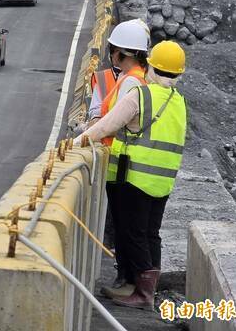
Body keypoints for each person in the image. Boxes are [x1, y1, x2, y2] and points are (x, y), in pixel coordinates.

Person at [76, 41, 187, 311]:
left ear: (150, 66)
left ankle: (143, 294)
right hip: (163, 181)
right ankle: (141, 288)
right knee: (151, 234)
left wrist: (77, 141)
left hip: (134, 178)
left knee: (132, 233)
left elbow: (105, 126)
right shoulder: (180, 103)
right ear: (178, 74)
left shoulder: (141, 95)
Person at [82, 19, 150, 297]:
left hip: (123, 166)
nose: (111, 56)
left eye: (114, 51)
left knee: (129, 230)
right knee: (131, 229)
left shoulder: (132, 83)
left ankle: (136, 288)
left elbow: (110, 122)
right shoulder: (129, 79)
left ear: (123, 53)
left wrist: (80, 139)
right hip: (122, 165)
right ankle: (132, 283)